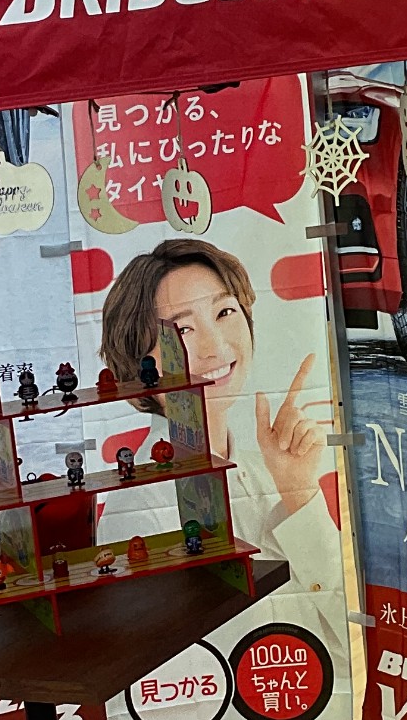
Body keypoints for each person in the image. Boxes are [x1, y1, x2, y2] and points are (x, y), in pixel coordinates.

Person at [98, 240, 337, 592]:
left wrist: (298, 491)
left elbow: (336, 614)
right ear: (140, 364)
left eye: (224, 312)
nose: (216, 347)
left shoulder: (271, 470)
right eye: (183, 330)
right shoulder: (137, 505)